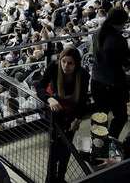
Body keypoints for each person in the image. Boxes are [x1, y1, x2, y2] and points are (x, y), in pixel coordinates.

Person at [36, 46, 90, 180]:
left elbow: (82, 99)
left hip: (71, 115)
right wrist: (49, 99)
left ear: (76, 64)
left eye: (70, 63)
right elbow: (39, 85)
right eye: (64, 61)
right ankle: (50, 179)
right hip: (55, 112)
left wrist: (78, 119)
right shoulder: (54, 67)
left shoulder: (83, 75)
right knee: (54, 149)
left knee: (67, 148)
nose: (66, 66)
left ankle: (60, 178)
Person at [91, 7, 130, 141]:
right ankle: (110, 140)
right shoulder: (119, 40)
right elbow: (125, 67)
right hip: (114, 86)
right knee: (121, 117)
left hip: (96, 82)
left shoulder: (97, 33)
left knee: (100, 117)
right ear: (121, 23)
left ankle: (98, 145)